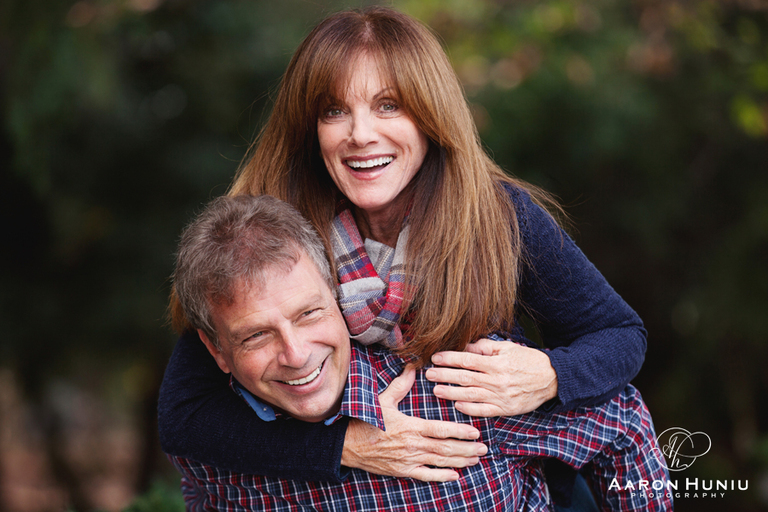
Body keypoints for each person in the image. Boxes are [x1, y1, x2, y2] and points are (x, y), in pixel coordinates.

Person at [158, 5, 652, 507]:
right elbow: (186, 416)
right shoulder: (273, 237)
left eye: (389, 105)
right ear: (310, 128)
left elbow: (621, 337)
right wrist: (344, 445)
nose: (361, 133)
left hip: (518, 466)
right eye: (333, 111)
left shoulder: (495, 217)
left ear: (431, 114)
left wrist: (549, 375)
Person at [167, 194, 671, 511]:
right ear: (218, 350)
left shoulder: (450, 390)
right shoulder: (213, 447)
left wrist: (552, 373)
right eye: (256, 336)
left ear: (340, 298)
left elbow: (623, 423)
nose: (296, 354)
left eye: (309, 314)